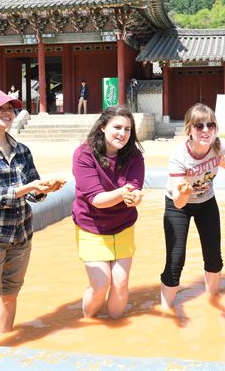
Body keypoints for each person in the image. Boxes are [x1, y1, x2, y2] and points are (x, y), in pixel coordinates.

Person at [0, 88, 65, 345]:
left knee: (11, 293)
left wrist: (43, 189)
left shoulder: (22, 150)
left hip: (21, 234)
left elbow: (32, 192)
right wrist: (28, 188)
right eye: (1, 108)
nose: (8, 112)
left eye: (11, 108)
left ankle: (6, 347)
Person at [72, 105, 145, 319]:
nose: (122, 134)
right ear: (103, 127)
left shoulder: (134, 156)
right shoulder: (84, 154)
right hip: (91, 226)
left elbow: (134, 187)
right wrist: (124, 193)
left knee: (121, 283)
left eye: (128, 129)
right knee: (101, 285)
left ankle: (116, 332)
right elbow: (96, 199)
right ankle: (88, 323)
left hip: (123, 225)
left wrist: (136, 196)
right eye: (117, 127)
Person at [160, 103, 225, 309]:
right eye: (199, 126)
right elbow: (178, 202)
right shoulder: (178, 157)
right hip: (178, 205)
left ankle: (212, 302)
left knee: (214, 255)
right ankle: (166, 311)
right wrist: (183, 191)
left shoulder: (219, 146)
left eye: (211, 125)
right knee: (176, 260)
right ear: (189, 130)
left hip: (206, 202)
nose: (206, 130)